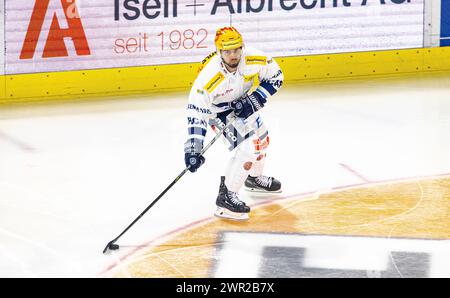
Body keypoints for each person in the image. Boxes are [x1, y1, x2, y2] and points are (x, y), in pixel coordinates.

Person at [184, 26, 284, 221]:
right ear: (219, 51)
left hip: (244, 104)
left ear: (242, 47)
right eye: (227, 51)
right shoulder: (209, 76)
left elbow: (277, 76)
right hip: (219, 112)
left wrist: (254, 99)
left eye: (237, 49)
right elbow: (197, 111)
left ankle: (253, 179)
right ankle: (225, 199)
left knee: (263, 141)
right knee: (250, 148)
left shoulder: (254, 58)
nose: (233, 55)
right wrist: (194, 148)